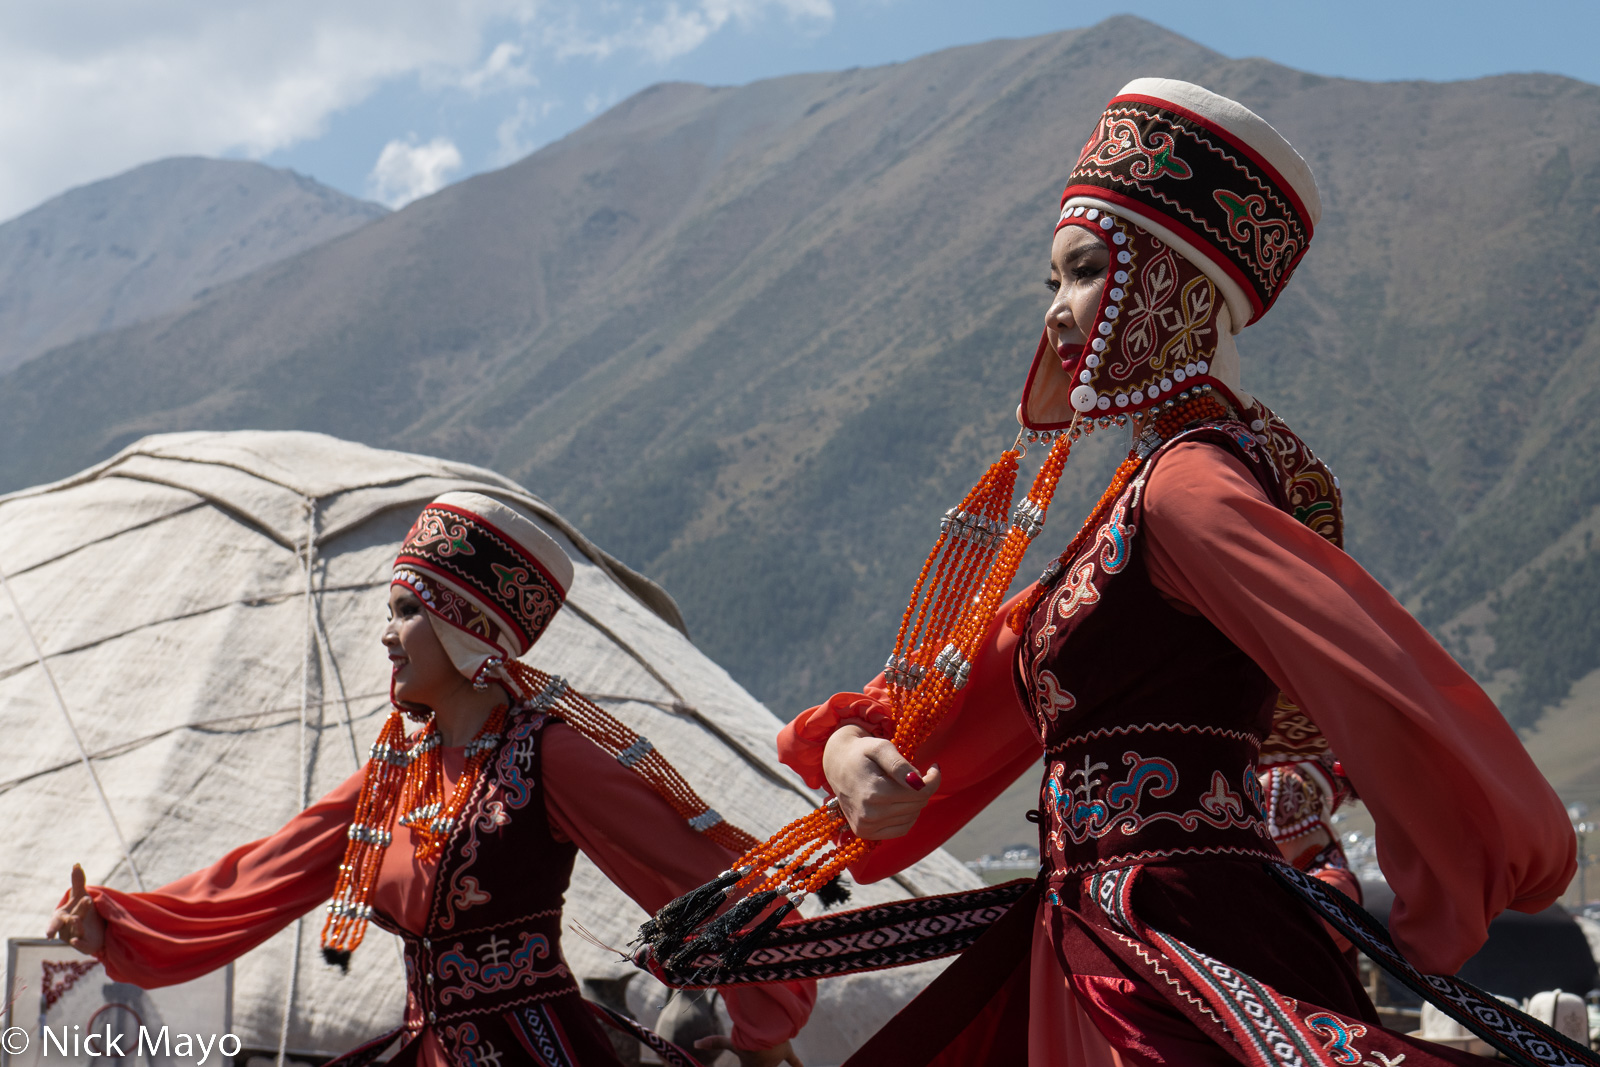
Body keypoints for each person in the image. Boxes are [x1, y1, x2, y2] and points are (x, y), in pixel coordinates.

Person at [762, 80, 1578, 1065]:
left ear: (1171, 282)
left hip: (1175, 947)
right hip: (1101, 941)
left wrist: (1469, 864)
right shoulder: (1121, 526)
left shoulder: (1185, 490)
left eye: (1086, 270)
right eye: (1050, 282)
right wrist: (853, 749)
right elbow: (963, 696)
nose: (1056, 312)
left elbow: (1386, 683)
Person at [48, 491, 812, 1067]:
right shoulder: (398, 770)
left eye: (406, 609)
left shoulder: (549, 754)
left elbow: (700, 877)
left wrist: (763, 1033)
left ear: (466, 626)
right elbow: (265, 870)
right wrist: (116, 925)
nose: (385, 633)